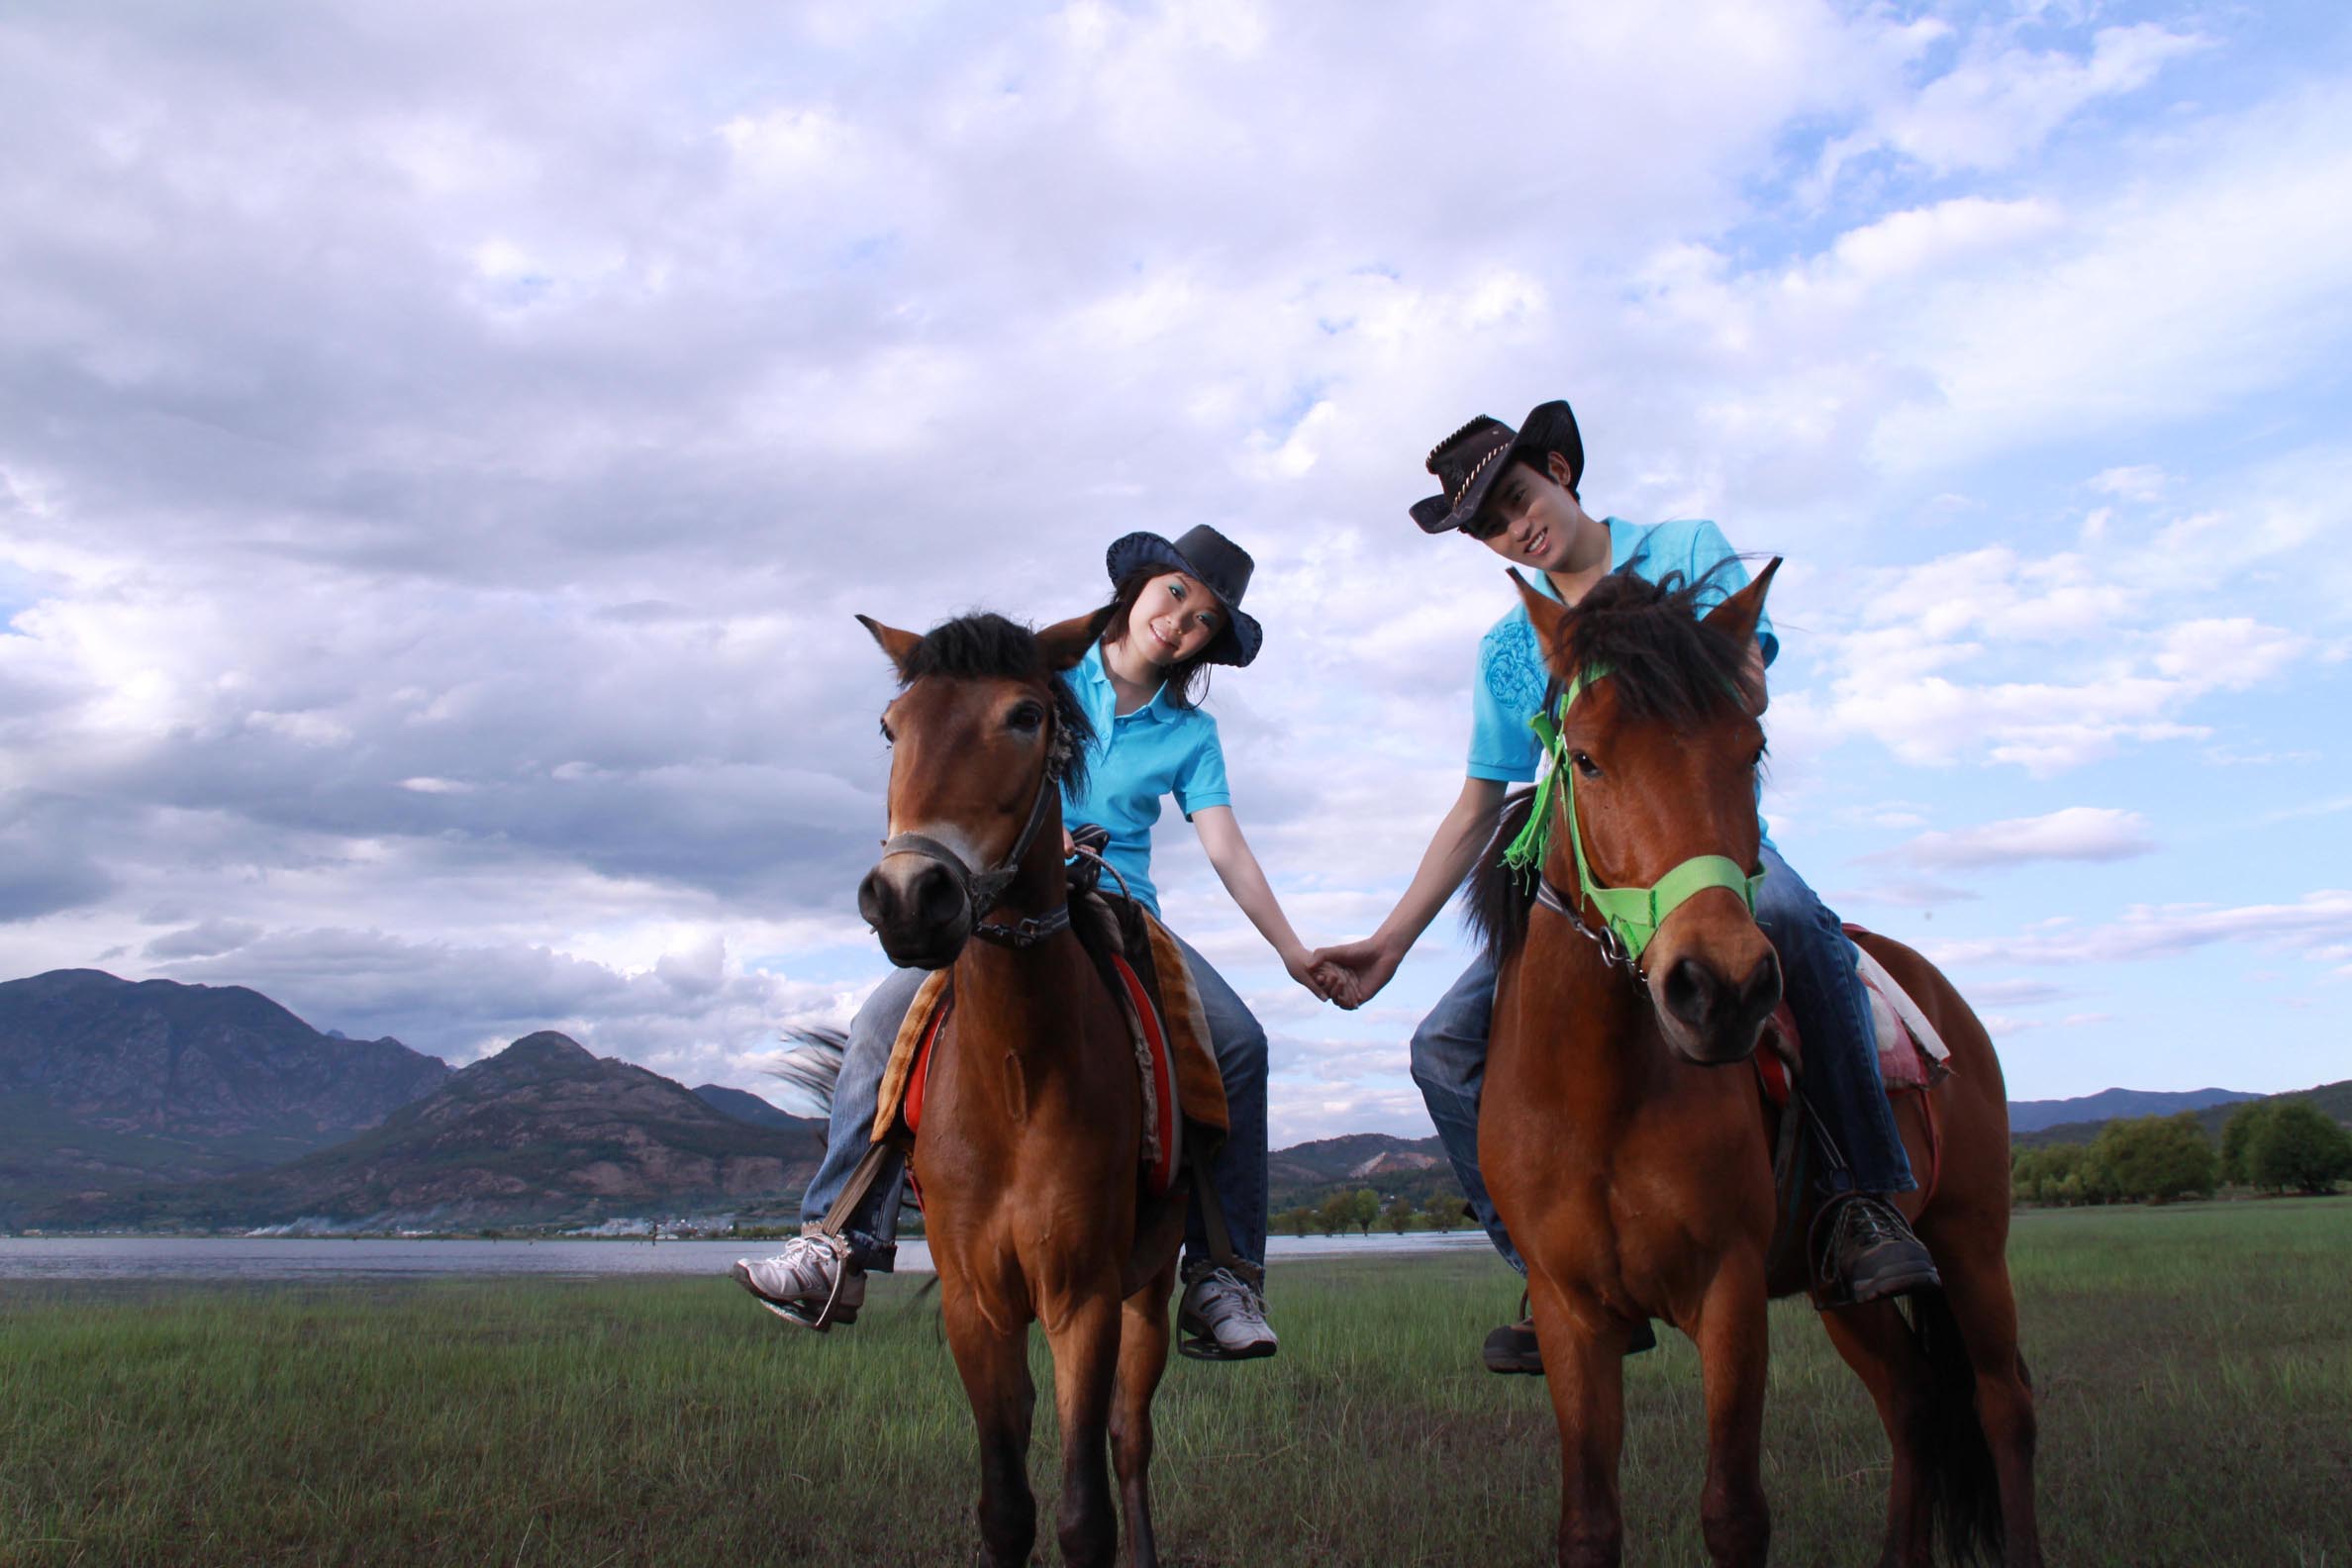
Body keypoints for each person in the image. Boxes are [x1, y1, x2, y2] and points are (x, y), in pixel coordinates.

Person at [1313, 400, 1939, 1374]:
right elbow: (1481, 803)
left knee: (1795, 926)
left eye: (1517, 499)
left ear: (1560, 468)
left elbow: (1748, 685)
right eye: (1488, 526)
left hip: (1703, 861)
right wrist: (1389, 945)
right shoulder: (1511, 649)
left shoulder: (1684, 549)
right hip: (1586, 896)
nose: (1514, 529)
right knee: (1442, 1048)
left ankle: (1862, 1196)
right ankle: (1541, 1263)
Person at [736, 525, 1325, 1359]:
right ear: (1140, 588)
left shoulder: (1189, 735)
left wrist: (1293, 951)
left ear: (1209, 643)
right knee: (878, 1024)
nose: (1181, 620)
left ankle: (1226, 1273)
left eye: (1204, 617)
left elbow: (1225, 846)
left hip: (1125, 909)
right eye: (1175, 593)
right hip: (1006, 901)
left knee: (1240, 1045)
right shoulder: (1038, 676)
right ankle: (838, 1240)